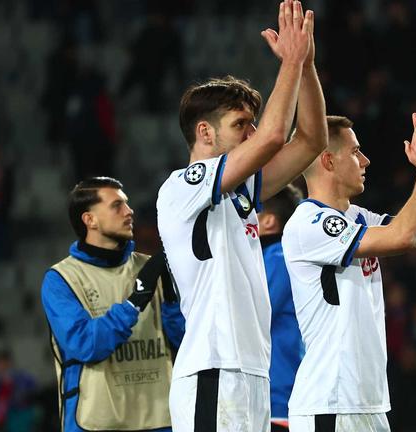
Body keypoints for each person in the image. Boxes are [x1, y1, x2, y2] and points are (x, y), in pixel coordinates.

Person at [156, 1, 327, 430]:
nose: (251, 133)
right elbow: (272, 137)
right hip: (213, 368)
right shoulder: (183, 186)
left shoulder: (239, 191)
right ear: (204, 131)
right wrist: (288, 62)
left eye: (251, 124)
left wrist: (305, 65)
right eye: (240, 124)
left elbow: (311, 140)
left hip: (252, 372)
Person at [281, 105, 416, 432]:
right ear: (328, 161)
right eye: (356, 152)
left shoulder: (358, 218)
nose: (365, 161)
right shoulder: (309, 224)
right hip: (330, 402)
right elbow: (404, 235)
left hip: (365, 403)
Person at [41, 177, 184, 432]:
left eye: (127, 204)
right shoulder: (61, 279)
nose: (129, 212)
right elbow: (86, 345)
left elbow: (183, 345)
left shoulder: (151, 267)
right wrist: (134, 303)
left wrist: (173, 301)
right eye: (117, 205)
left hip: (162, 420)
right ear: (90, 220)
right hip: (96, 423)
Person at [261, 185, 305, 431]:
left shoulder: (277, 257)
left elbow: (252, 318)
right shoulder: (281, 255)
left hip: (278, 397)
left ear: (268, 221)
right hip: (280, 393)